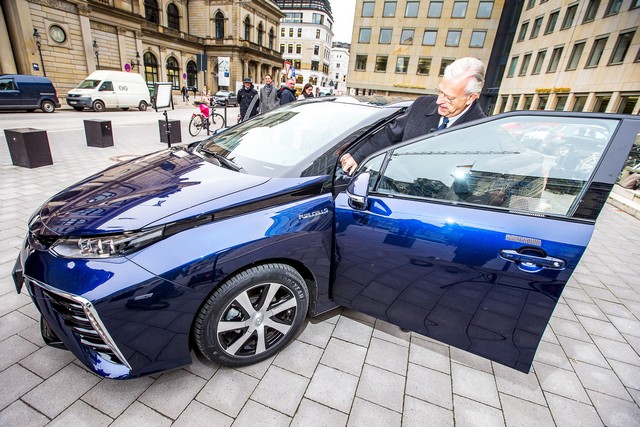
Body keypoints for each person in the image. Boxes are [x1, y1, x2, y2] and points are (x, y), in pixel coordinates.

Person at [340, 57, 487, 175]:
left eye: (449, 98)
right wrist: (358, 156)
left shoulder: (483, 133)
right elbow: (389, 135)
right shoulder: (421, 105)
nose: (439, 101)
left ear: (471, 97)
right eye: (440, 91)